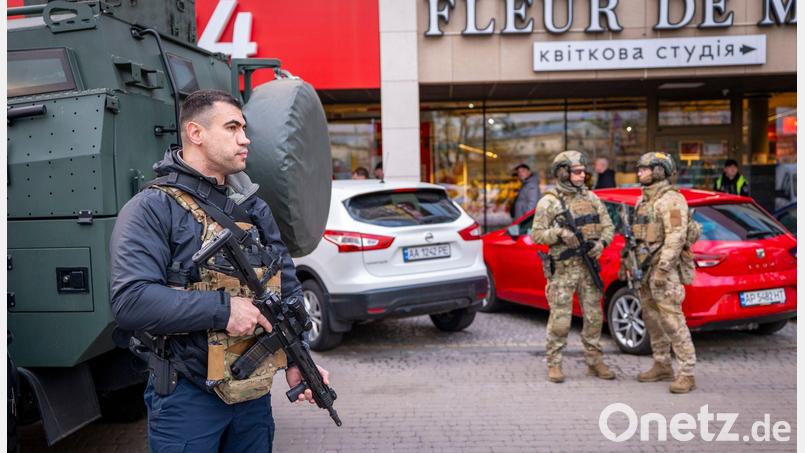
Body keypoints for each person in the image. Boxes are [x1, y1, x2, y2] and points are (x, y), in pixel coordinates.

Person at [109, 90, 330, 451]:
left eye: (244, 128)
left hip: (251, 396)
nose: (245, 138)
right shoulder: (151, 208)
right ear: (196, 133)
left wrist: (298, 359)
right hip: (186, 397)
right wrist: (224, 310)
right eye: (232, 127)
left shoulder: (254, 208)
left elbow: (286, 288)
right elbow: (131, 301)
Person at [530, 151, 615, 383]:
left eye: (583, 171)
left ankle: (595, 361)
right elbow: (536, 235)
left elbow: (608, 226)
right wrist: (559, 233)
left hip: (588, 268)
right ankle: (554, 363)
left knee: (594, 317)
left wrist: (601, 243)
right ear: (563, 172)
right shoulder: (549, 201)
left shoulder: (591, 198)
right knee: (561, 319)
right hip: (564, 269)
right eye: (577, 171)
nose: (582, 175)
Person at [622, 152, 697, 394]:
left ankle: (686, 372)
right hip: (644, 270)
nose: (639, 172)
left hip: (663, 272)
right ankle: (662, 363)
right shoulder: (642, 201)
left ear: (658, 171)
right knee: (652, 319)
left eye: (644, 169)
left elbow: (676, 237)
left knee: (673, 321)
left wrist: (663, 269)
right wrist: (628, 262)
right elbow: (636, 237)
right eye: (639, 168)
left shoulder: (671, 200)